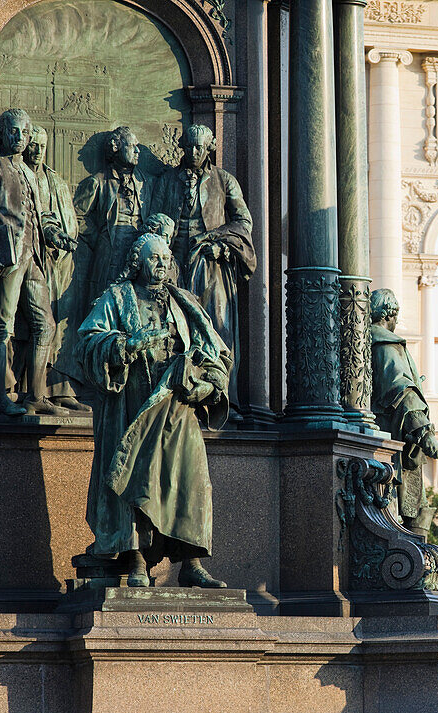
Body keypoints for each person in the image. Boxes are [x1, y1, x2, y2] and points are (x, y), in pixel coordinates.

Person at [76, 233, 230, 588]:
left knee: (190, 480)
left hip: (177, 403)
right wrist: (127, 345)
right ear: (137, 262)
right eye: (153, 258)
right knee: (134, 479)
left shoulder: (184, 302)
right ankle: (137, 560)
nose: (161, 264)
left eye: (165, 257)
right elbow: (87, 342)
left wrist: (207, 384)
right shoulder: (117, 298)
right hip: (132, 403)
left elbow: (214, 353)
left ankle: (191, 562)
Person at [0, 108, 73, 416]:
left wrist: (56, 234)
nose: (20, 137)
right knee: (1, 327)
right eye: (14, 131)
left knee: (45, 324)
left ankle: (36, 395)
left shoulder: (30, 173)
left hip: (33, 256)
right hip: (6, 257)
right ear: (1, 134)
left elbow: (41, 214)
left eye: (24, 132)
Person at [149, 125, 255, 423]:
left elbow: (243, 221)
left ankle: (222, 396)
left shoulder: (224, 180)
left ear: (210, 146)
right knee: (176, 327)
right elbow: (153, 218)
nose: (193, 153)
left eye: (199, 148)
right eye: (189, 147)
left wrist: (222, 248)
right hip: (173, 262)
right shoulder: (167, 180)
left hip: (211, 264)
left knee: (217, 326)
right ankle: (178, 392)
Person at [23, 124, 90, 413]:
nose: (37, 151)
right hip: (26, 261)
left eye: (42, 145)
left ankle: (58, 389)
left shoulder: (53, 181)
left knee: (61, 323)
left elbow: (52, 219)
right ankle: (25, 392)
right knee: (35, 327)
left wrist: (61, 237)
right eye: (33, 145)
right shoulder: (19, 175)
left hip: (54, 262)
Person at [369, 289, 438, 539]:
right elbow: (402, 389)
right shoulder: (387, 345)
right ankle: (417, 565)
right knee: (406, 513)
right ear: (390, 314)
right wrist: (423, 430)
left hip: (386, 438)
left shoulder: (373, 342)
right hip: (391, 442)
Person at [75, 125, 149, 305]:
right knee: (107, 301)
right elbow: (78, 216)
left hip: (140, 249)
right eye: (132, 146)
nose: (137, 150)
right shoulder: (97, 182)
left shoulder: (145, 182)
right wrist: (100, 238)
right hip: (111, 251)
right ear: (116, 148)